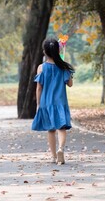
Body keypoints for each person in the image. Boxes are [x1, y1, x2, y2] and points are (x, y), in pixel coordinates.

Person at [32, 37, 74, 165]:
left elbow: (39, 88)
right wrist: (69, 73)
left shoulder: (41, 68)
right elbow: (70, 84)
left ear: (44, 51)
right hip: (60, 102)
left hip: (46, 102)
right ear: (57, 50)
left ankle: (54, 156)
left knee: (50, 129)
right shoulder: (63, 67)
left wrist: (38, 104)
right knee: (61, 127)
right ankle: (61, 148)